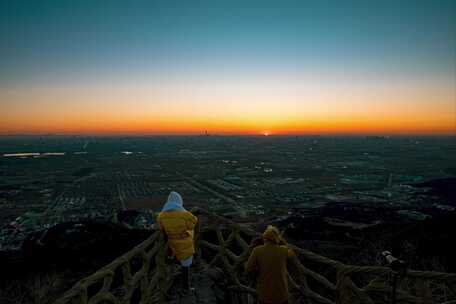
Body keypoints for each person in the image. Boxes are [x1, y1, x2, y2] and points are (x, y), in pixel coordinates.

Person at [157, 191, 198, 291]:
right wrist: (186, 213)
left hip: (172, 242)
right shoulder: (184, 215)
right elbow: (193, 224)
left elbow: (161, 227)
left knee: (178, 259)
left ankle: (177, 277)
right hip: (184, 241)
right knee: (186, 263)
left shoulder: (161, 216)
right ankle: (186, 286)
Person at [245, 225, 295, 304]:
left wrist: (258, 268)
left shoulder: (257, 250)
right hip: (282, 294)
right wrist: (283, 242)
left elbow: (248, 268)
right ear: (276, 239)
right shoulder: (283, 250)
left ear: (264, 238)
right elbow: (292, 253)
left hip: (264, 295)